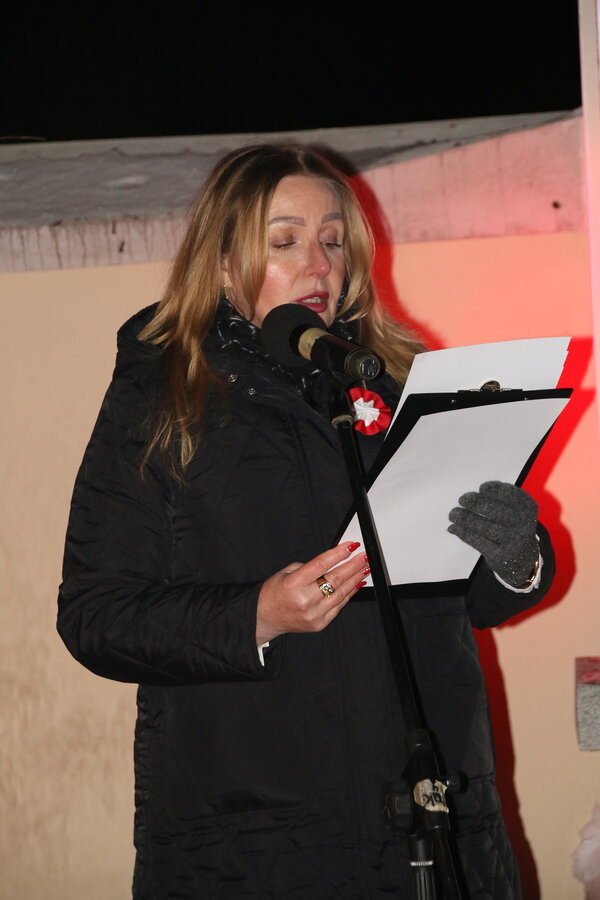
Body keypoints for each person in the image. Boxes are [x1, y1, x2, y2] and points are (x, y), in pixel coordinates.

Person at [58, 143, 554, 899]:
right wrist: (257, 614)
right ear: (224, 263)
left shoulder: (402, 381)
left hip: (435, 823)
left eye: (332, 240)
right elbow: (96, 615)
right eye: (285, 242)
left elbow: (467, 597)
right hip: (254, 846)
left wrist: (517, 555)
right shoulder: (165, 389)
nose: (318, 265)